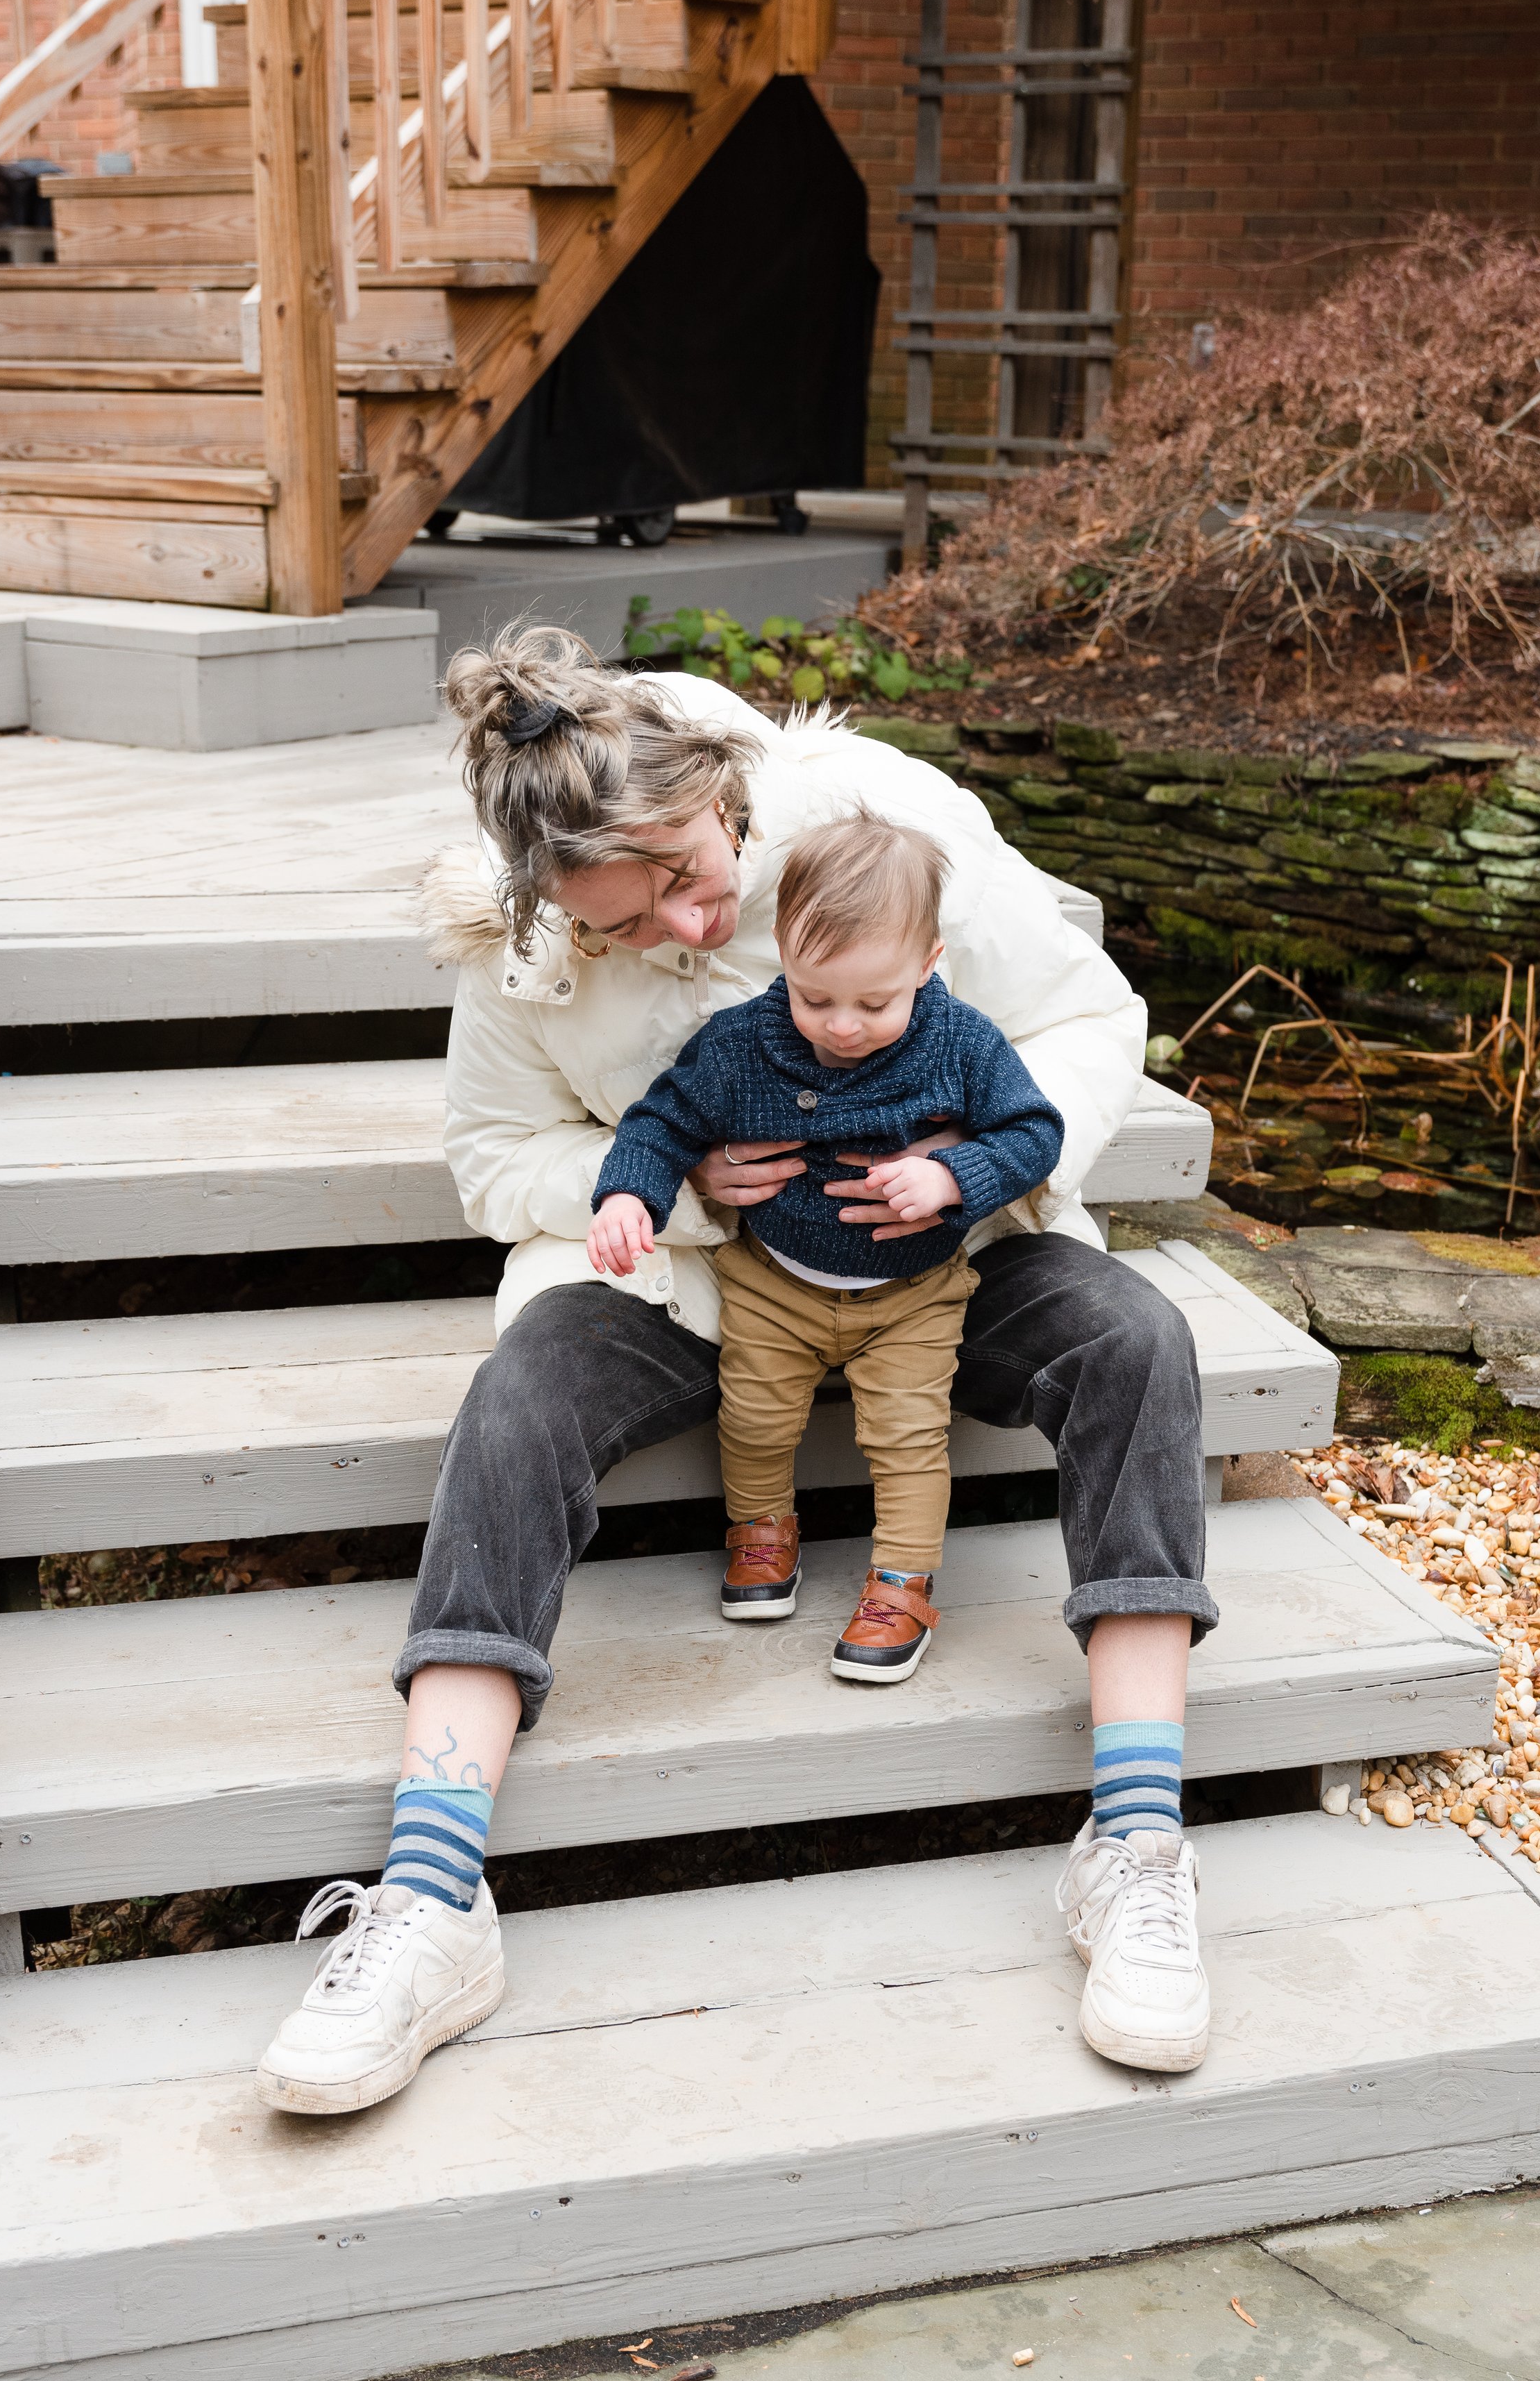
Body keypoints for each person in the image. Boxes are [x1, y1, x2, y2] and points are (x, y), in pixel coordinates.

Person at [255, 625, 1220, 2121]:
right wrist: (690, 1189)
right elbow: (496, 1154)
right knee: (519, 1398)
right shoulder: (518, 943)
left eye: (698, 885)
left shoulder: (878, 823)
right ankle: (431, 1895)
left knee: (1138, 1340)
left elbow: (1091, 1019)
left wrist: (961, 1169)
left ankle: (1138, 1848)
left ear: (720, 795)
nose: (690, 933)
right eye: (631, 929)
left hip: (937, 1259)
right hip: (691, 1284)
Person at [586, 810, 1065, 1679]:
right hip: (777, 1284)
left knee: (908, 1438)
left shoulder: (961, 1043)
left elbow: (1033, 1131)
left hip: (913, 1292)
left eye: (874, 1003)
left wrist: (959, 1176)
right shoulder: (741, 1045)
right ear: (785, 959)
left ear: (927, 965)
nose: (842, 1026)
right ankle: (763, 1531)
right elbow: (661, 1122)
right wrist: (628, 1194)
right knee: (758, 1420)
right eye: (816, 998)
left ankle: (902, 1583)